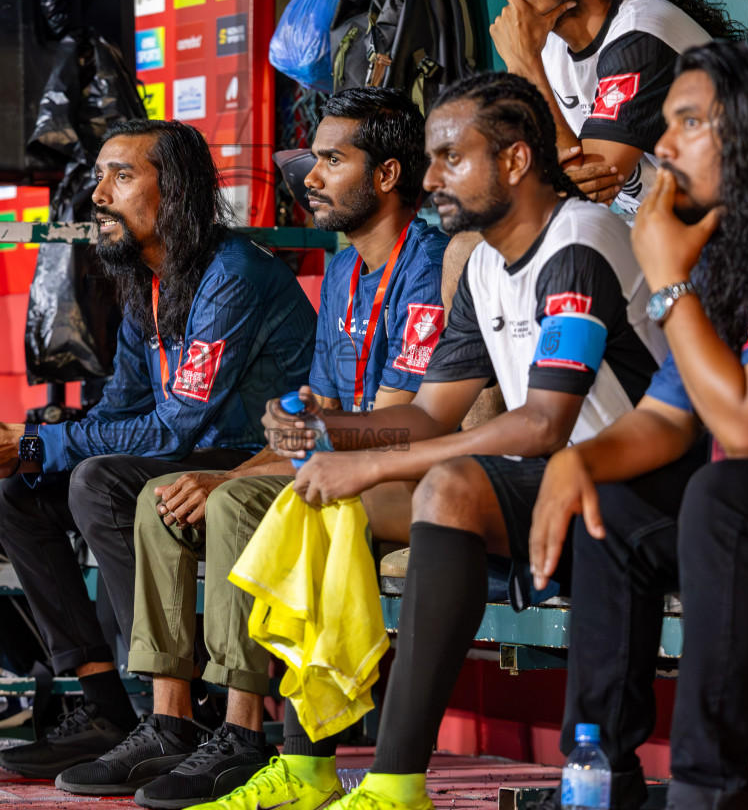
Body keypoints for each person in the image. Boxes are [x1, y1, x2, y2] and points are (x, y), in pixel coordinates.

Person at [229, 72, 665, 810]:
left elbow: (543, 423)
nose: (431, 179)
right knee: (317, 498)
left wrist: (373, 463)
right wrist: (328, 432)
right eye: (431, 160)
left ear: (516, 160)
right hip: (555, 481)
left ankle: (396, 781)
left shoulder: (581, 240)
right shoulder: (486, 261)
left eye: (451, 158)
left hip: (636, 484)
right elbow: (433, 413)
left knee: (449, 487)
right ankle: (307, 766)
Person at [58, 88, 449, 805]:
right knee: (161, 498)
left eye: (332, 161)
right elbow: (320, 417)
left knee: (235, 500)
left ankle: (242, 731)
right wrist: (236, 469)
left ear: (389, 175)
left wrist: (254, 467)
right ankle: (170, 720)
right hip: (335, 460)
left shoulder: (426, 262)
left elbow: (397, 423)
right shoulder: (344, 269)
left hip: (405, 472)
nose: (311, 177)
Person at [0, 120, 315, 780]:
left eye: (122, 176)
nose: (99, 195)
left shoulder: (232, 274)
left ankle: (180, 708)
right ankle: (106, 707)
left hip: (257, 461)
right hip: (193, 455)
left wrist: (31, 441)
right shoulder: (148, 284)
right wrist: (26, 453)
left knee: (97, 481)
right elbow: (122, 411)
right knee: (19, 494)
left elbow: (175, 428)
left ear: (176, 191)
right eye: (99, 176)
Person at [524, 41, 748, 810]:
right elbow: (668, 420)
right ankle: (599, 778)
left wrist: (669, 278)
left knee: (722, 495)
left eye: (690, 122)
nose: (664, 146)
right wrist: (580, 461)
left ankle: (709, 793)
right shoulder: (729, 226)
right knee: (612, 508)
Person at [486, 0, 747, 213]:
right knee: (471, 239)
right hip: (661, 230)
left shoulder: (640, 36)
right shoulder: (547, 46)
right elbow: (526, 179)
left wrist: (524, 67)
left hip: (743, 230)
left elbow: (583, 200)